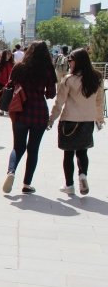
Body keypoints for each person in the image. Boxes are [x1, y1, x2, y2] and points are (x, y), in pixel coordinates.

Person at [1, 41, 57, 194]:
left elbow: (9, 85)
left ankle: (11, 171)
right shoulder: (48, 70)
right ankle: (26, 184)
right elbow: (51, 94)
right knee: (33, 149)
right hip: (39, 114)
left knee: (18, 147)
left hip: (20, 111)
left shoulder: (19, 67)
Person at [48, 48, 105, 195]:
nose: (68, 62)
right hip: (88, 120)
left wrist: (51, 119)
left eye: (70, 60)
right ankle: (83, 175)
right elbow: (100, 101)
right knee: (82, 151)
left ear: (77, 61)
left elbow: (59, 103)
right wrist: (99, 118)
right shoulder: (97, 77)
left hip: (69, 121)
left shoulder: (69, 79)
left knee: (68, 154)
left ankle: (69, 185)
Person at [0, 49, 15, 116]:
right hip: (1, 82)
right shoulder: (0, 64)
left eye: (9, 54)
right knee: (2, 96)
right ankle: (2, 109)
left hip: (10, 83)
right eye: (7, 54)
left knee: (9, 96)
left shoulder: (12, 64)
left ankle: (8, 109)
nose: (9, 55)